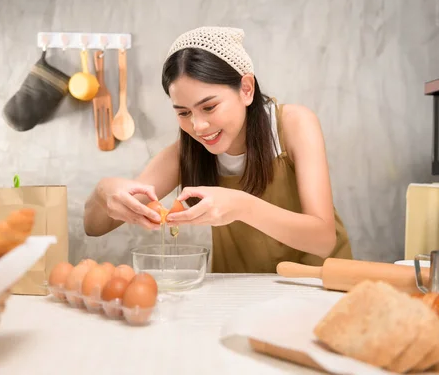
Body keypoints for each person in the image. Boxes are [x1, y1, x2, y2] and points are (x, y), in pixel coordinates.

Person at [84, 26, 353, 273]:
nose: (198, 126)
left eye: (209, 107)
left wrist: (241, 207)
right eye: (184, 112)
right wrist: (104, 191)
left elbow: (324, 240)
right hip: (242, 298)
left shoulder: (294, 125)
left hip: (319, 286)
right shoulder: (184, 153)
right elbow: (94, 227)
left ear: (246, 89)